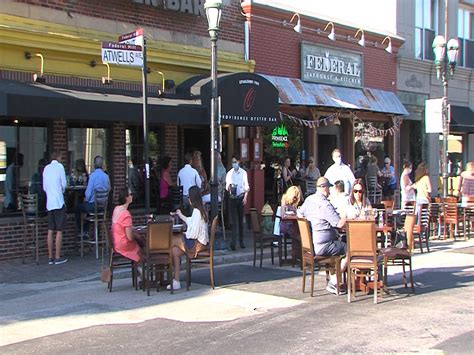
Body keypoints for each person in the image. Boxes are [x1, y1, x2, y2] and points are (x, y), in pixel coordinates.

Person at [297, 177, 347, 295]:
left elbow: (299, 213)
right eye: (329, 187)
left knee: (341, 243)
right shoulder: (325, 204)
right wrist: (346, 216)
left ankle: (335, 279)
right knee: (351, 249)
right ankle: (334, 282)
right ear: (324, 188)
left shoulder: (309, 199)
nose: (329, 190)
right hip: (324, 245)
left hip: (312, 245)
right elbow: (338, 223)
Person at [169, 185, 209, 290]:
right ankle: (176, 280)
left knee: (172, 239)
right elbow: (191, 222)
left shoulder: (197, 212)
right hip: (200, 242)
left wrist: (184, 234)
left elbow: (193, 234)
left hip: (197, 244)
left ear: (192, 198)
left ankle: (167, 270)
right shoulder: (200, 210)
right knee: (174, 251)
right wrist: (180, 215)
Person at [42, 151, 68, 265]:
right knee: (59, 230)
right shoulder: (59, 167)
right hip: (58, 201)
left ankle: (50, 257)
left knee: (50, 230)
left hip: (50, 202)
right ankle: (57, 257)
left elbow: (44, 187)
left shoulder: (46, 168)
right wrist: (61, 191)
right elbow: (64, 184)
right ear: (58, 157)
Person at [75, 155, 110, 235]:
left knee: (78, 208)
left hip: (93, 206)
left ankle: (82, 230)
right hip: (103, 207)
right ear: (102, 165)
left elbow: (88, 194)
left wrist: (86, 199)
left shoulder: (92, 176)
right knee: (88, 209)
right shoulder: (106, 176)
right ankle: (87, 231)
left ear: (94, 165)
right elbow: (109, 189)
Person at [111, 187, 144, 263]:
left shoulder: (116, 209)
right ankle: (142, 271)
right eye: (130, 194)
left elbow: (120, 226)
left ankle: (139, 271)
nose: (132, 196)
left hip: (116, 243)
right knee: (144, 247)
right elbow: (129, 237)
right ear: (126, 197)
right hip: (124, 245)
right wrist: (136, 235)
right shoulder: (126, 214)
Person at [225, 154, 250, 251]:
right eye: (233, 162)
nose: (234, 164)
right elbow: (227, 186)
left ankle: (241, 241)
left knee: (240, 221)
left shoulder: (243, 173)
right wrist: (230, 187)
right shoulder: (229, 173)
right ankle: (233, 243)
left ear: (238, 162)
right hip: (232, 197)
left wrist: (245, 198)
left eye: (235, 162)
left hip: (240, 197)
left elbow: (246, 186)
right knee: (234, 221)